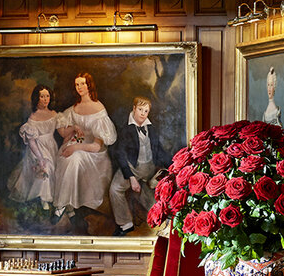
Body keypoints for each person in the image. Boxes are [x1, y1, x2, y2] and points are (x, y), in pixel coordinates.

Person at [49, 72, 116, 222]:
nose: (79, 87)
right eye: (77, 84)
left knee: (74, 158)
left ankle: (61, 205)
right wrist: (73, 127)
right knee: (65, 157)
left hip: (93, 152)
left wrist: (76, 148)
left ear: (89, 85)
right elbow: (62, 131)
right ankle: (69, 206)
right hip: (75, 143)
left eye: (82, 84)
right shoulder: (74, 108)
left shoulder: (99, 109)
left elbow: (97, 147)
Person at [107, 96, 170, 233]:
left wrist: (172, 166)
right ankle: (125, 223)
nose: (142, 113)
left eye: (146, 111)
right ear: (134, 109)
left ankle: (160, 217)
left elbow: (158, 149)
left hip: (149, 166)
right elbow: (120, 154)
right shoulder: (126, 130)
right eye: (140, 109)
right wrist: (131, 177)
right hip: (132, 167)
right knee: (115, 189)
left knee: (153, 189)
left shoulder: (151, 129)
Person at [16, 84, 62, 206]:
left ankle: (54, 198)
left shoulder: (54, 114)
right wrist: (40, 157)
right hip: (37, 148)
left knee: (56, 169)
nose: (46, 99)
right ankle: (43, 200)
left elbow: (63, 131)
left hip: (51, 146)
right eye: (42, 96)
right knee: (45, 166)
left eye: (47, 96)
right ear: (37, 98)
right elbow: (31, 142)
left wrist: (74, 128)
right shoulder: (33, 117)